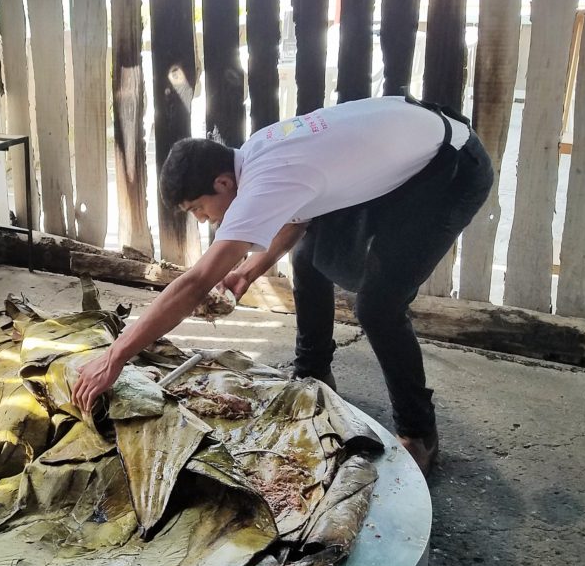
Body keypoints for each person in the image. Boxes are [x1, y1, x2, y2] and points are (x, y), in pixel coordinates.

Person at [72, 95, 495, 476]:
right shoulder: (254, 154)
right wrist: (249, 272)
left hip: (451, 168)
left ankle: (420, 435)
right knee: (308, 257)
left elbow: (197, 281)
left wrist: (116, 355)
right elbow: (299, 218)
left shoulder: (266, 179)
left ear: (223, 183)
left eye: (199, 209)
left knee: (379, 306)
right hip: (413, 149)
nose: (203, 219)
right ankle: (314, 374)